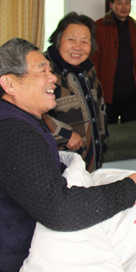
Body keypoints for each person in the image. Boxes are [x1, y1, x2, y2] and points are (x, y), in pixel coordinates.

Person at [0, 38, 136, 272]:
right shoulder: (12, 133)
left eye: (50, 69)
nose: (53, 78)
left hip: (12, 244)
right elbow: (60, 210)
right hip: (22, 257)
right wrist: (128, 190)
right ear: (9, 84)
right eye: (42, 70)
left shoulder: (7, 118)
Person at [43, 12, 107, 171]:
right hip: (58, 162)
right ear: (58, 39)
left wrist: (102, 136)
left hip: (90, 156)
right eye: (71, 40)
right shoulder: (43, 69)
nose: (78, 47)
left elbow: (99, 103)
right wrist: (65, 135)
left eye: (84, 41)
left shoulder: (88, 68)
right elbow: (30, 112)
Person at [93, 0, 136, 124]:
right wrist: (95, 91)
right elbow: (93, 62)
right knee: (108, 131)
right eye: (119, 3)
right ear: (111, 4)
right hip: (107, 93)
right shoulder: (99, 27)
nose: (124, 7)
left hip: (132, 92)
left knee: (131, 132)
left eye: (127, 3)